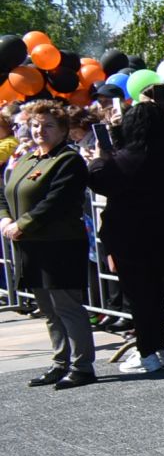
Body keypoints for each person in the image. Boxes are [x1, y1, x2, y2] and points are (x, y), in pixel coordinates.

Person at [83, 103, 164, 375]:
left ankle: (148, 353)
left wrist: (99, 157)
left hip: (129, 235)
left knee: (140, 298)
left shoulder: (125, 158)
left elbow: (98, 179)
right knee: (157, 292)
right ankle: (157, 349)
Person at [1, 101, 95, 389]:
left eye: (48, 125)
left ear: (64, 130)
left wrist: (23, 224)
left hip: (60, 244)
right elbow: (4, 193)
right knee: (47, 308)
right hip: (30, 246)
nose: (40, 130)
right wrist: (5, 220)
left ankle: (81, 366)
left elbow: (57, 201)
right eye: (36, 125)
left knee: (66, 305)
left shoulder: (68, 160)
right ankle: (59, 361)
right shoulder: (28, 158)